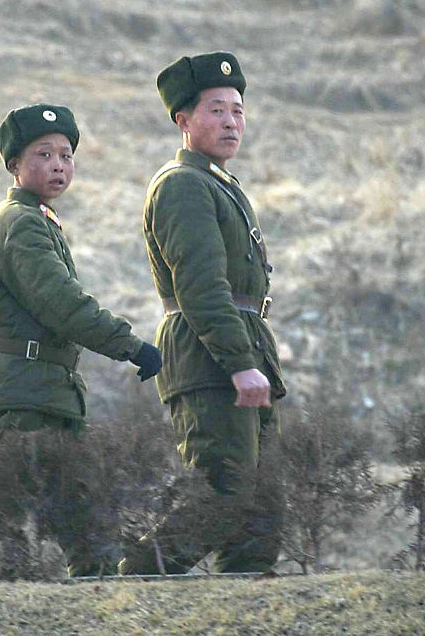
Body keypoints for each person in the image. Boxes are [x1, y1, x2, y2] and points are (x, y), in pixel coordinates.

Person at [0, 103, 162, 580]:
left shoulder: (37, 220)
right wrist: (130, 345)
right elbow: (61, 302)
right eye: (44, 154)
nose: (59, 165)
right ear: (15, 165)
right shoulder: (20, 223)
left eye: (66, 155)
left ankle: (101, 598)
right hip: (20, 394)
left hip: (43, 393)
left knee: (87, 511)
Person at [119, 51, 286, 575]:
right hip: (209, 354)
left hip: (239, 345)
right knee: (221, 493)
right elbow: (200, 287)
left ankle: (246, 604)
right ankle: (128, 584)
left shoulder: (218, 183)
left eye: (238, 110)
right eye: (216, 110)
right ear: (183, 120)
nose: (232, 121)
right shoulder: (182, 184)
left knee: (262, 508)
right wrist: (240, 363)